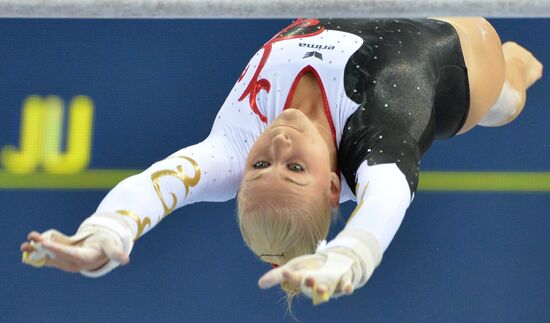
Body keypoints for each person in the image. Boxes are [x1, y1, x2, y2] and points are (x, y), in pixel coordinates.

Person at [20, 17, 542, 305]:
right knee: (506, 91)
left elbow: (157, 186)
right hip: (458, 65)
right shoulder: (375, 136)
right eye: (296, 170)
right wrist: (350, 257)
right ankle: (514, 84)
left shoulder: (235, 140)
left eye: (258, 169)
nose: (274, 149)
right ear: (336, 185)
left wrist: (107, 231)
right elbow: (387, 199)